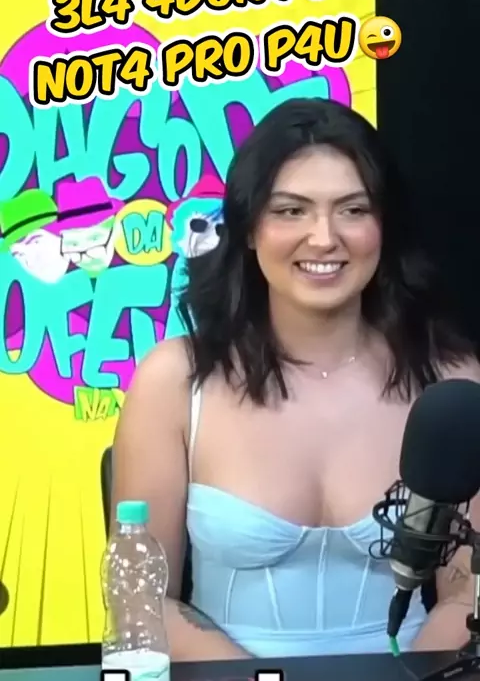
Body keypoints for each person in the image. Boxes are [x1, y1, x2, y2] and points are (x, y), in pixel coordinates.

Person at [112, 98, 480, 662]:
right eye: (291, 211)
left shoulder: (452, 382)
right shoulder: (175, 382)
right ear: (249, 228)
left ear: (384, 226)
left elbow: (467, 592)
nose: (324, 238)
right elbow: (140, 600)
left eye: (353, 209)